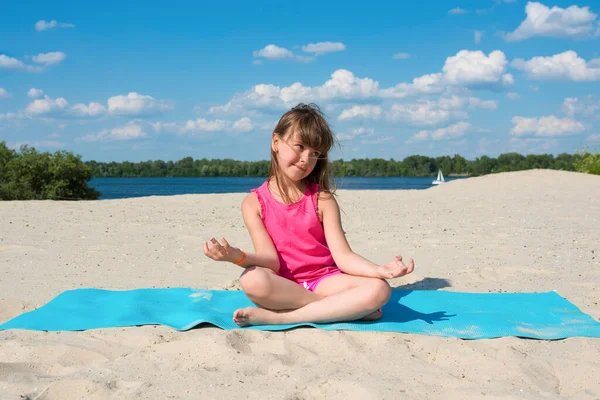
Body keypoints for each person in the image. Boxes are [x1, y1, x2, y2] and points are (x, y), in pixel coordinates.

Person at [203, 103, 415, 327]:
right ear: (276, 142)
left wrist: (378, 270)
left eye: (315, 153)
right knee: (251, 279)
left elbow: (343, 256)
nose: (306, 159)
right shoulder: (253, 203)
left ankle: (283, 317)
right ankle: (338, 308)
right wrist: (236, 256)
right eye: (299, 146)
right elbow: (271, 262)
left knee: (379, 288)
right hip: (283, 286)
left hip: (325, 280)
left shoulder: (322, 200)